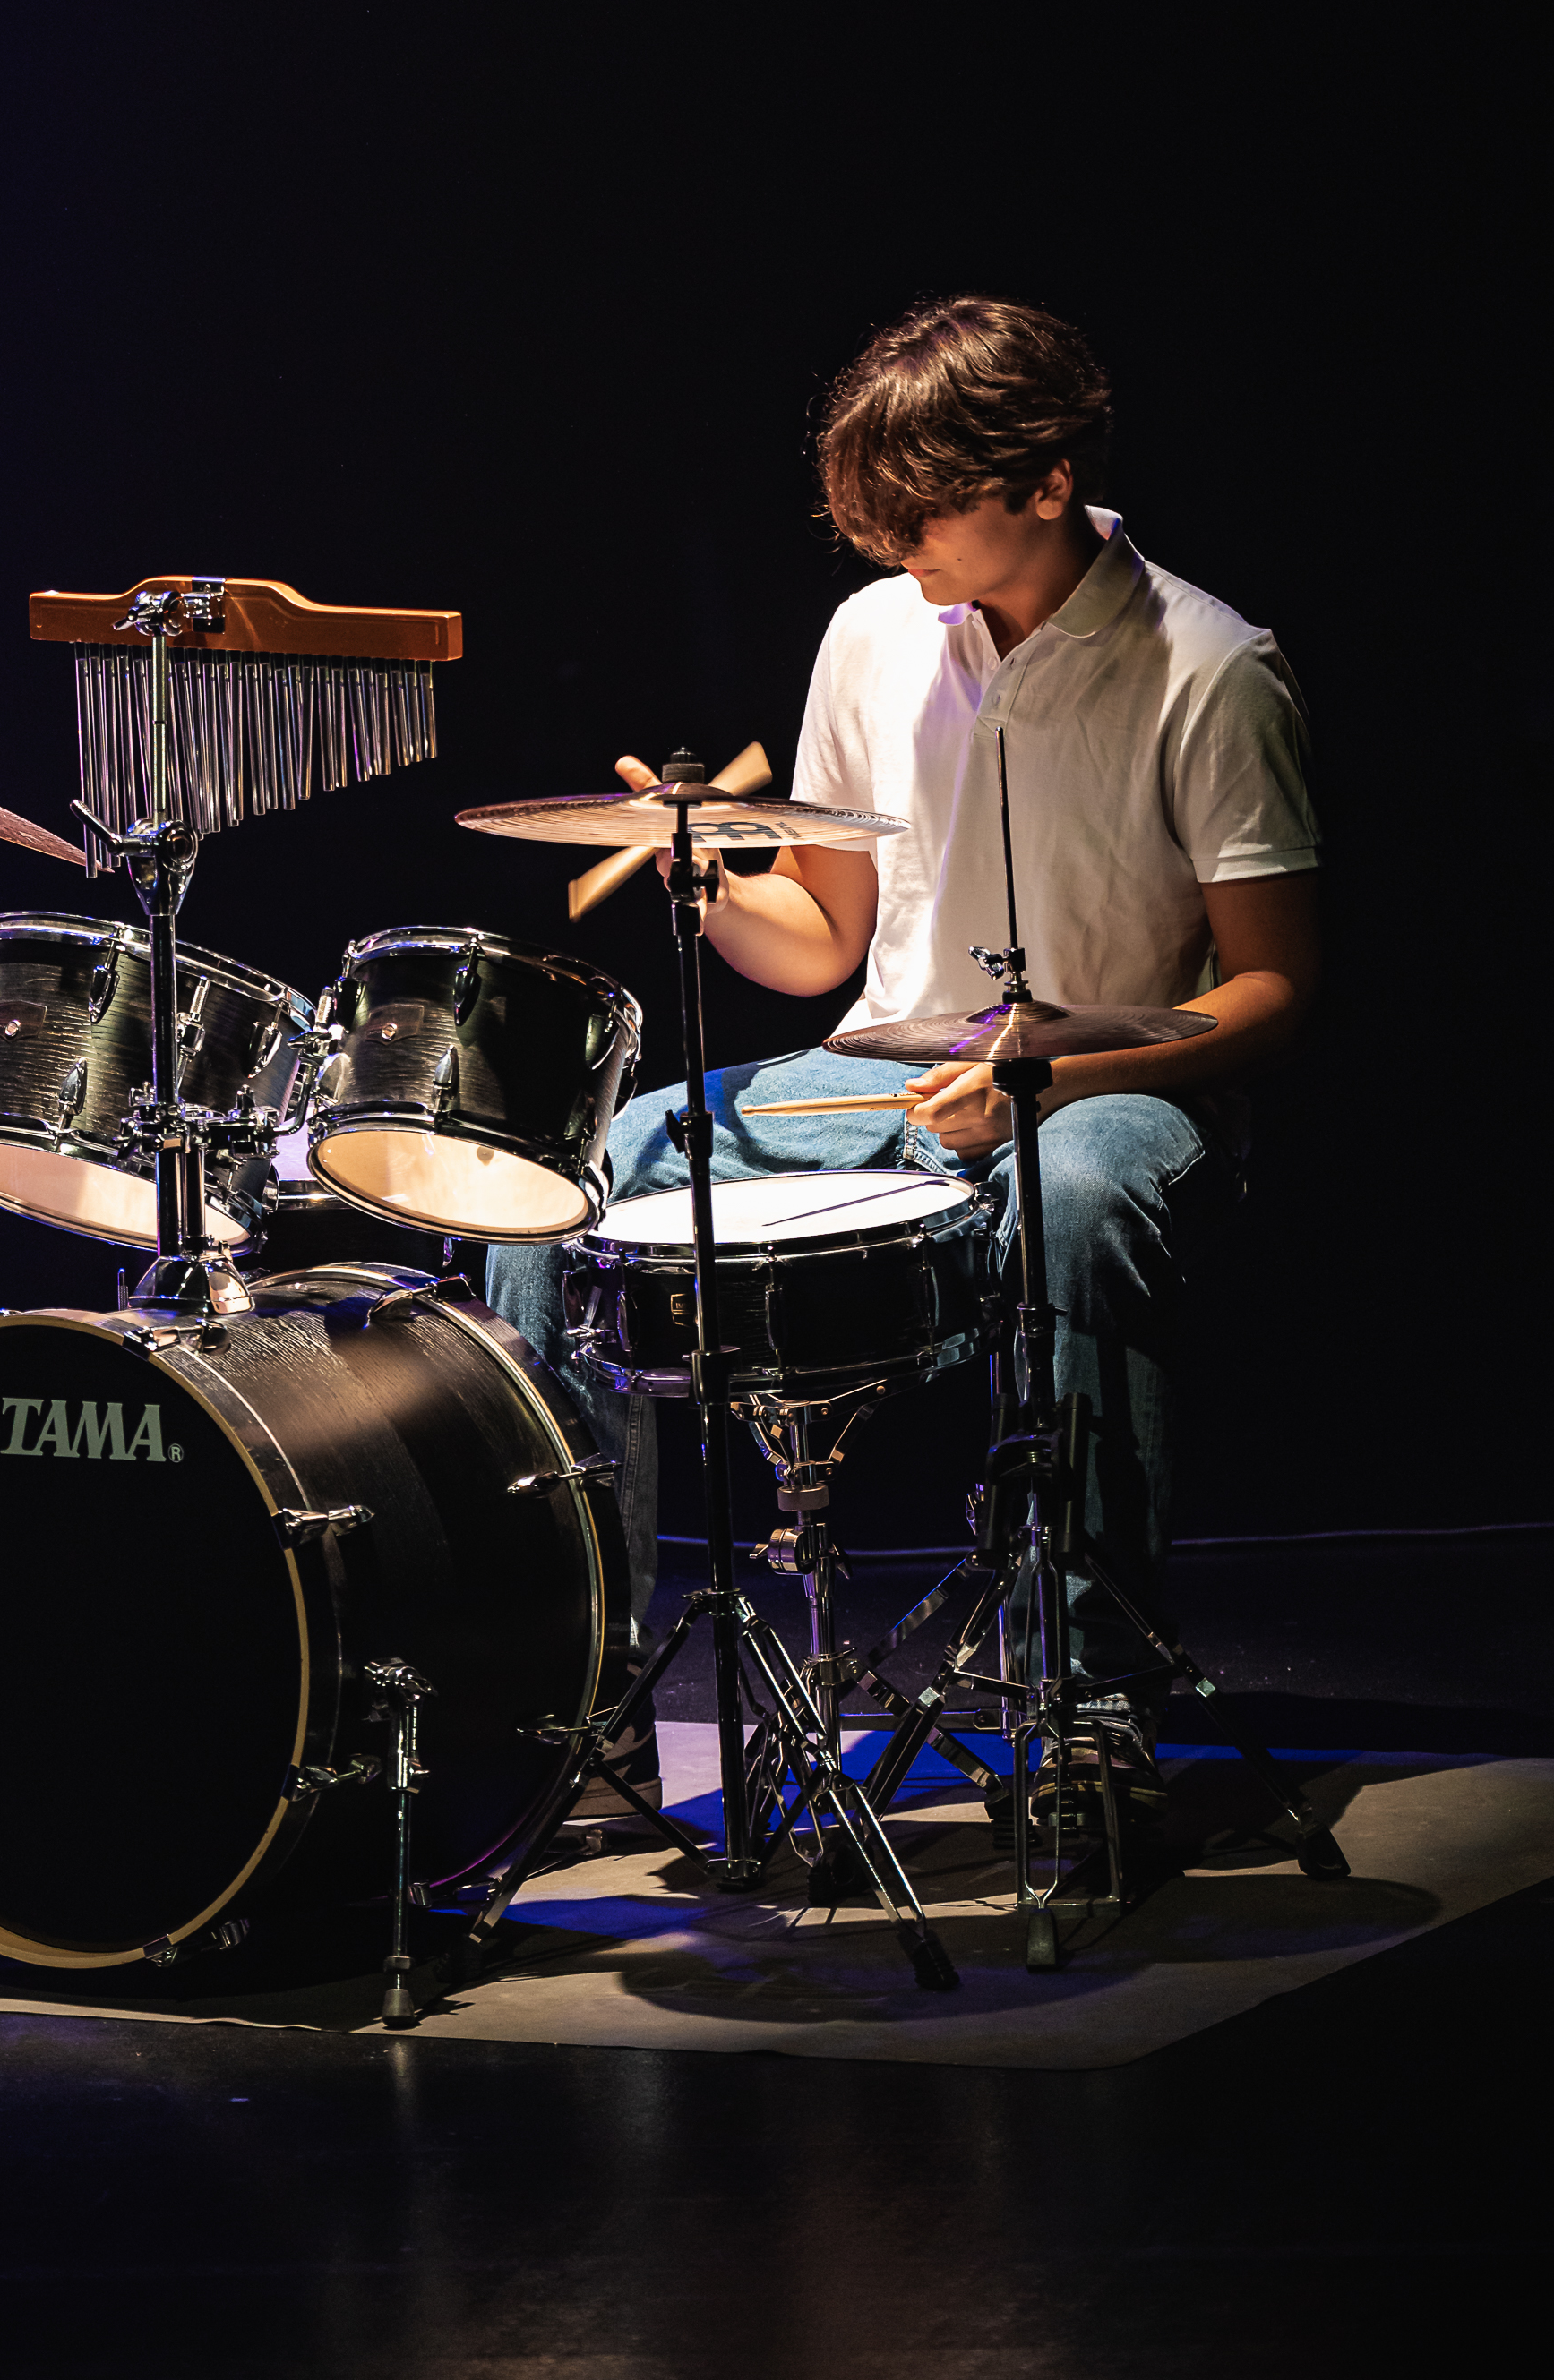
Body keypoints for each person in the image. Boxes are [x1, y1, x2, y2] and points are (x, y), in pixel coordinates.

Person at [490, 293, 1321, 1826]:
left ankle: (1089, 1702)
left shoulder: (1210, 668)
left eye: (920, 510)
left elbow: (1276, 989)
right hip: (883, 1073)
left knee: (1075, 1194)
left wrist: (1053, 1077)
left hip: (1119, 1090)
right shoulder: (873, 634)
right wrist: (714, 880)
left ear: (1047, 480)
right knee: (563, 1175)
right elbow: (825, 945)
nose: (888, 544)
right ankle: (578, 1710)